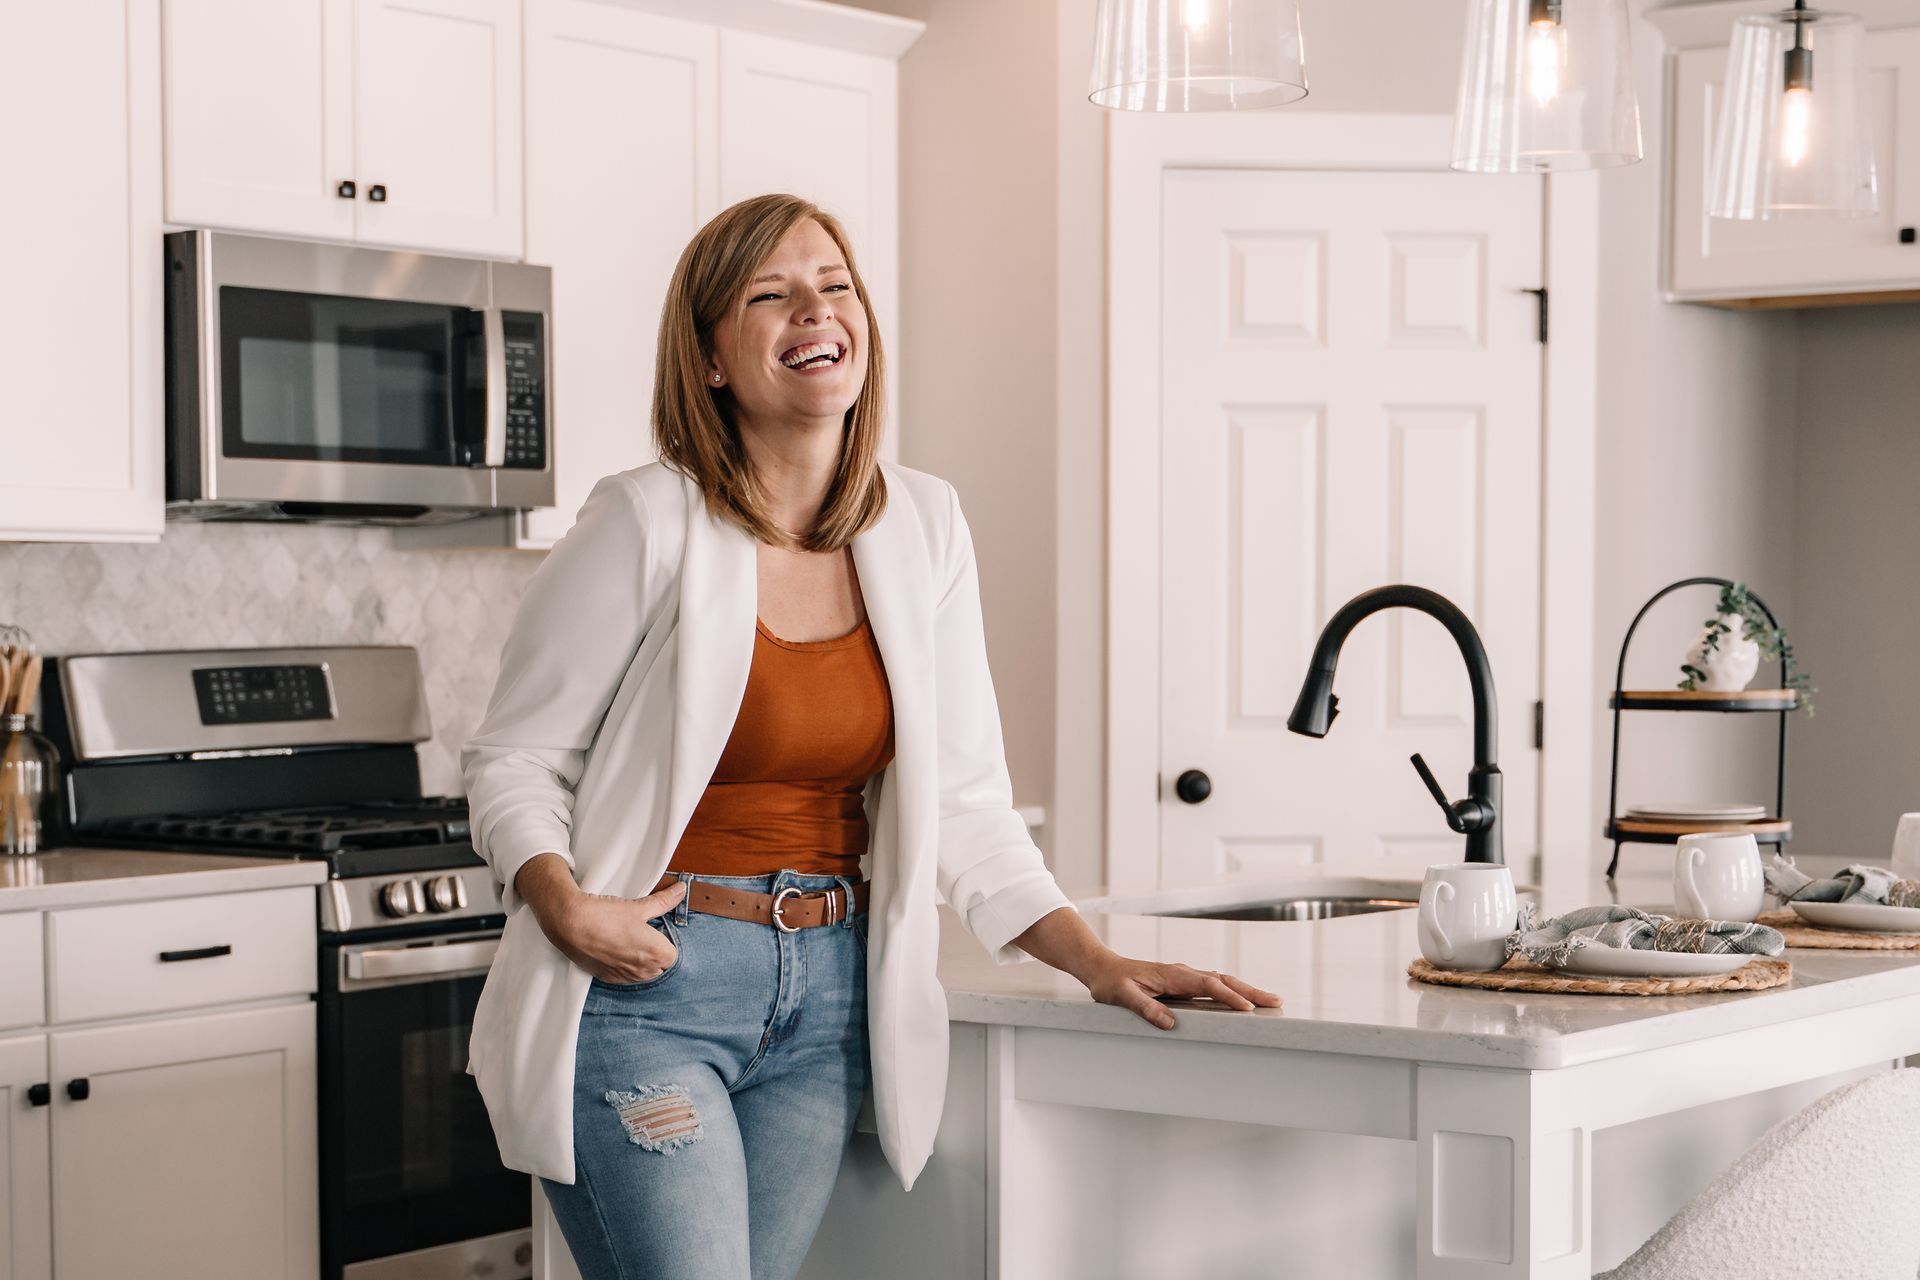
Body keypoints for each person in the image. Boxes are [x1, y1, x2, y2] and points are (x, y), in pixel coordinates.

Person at [461, 192, 1282, 1280]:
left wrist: (1098, 960)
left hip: (831, 1001)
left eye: (835, 284)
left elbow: (968, 802)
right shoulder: (645, 520)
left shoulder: (923, 525)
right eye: (772, 293)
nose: (817, 308)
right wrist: (563, 901)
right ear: (710, 358)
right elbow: (516, 756)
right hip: (653, 986)